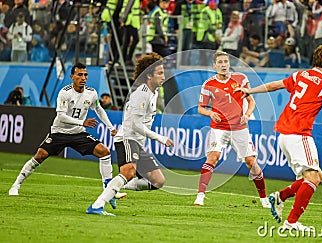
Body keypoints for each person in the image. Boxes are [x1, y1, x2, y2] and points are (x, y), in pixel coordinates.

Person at [234, 45, 322, 231]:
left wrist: (250, 91)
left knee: (316, 176)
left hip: (284, 134)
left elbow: (275, 86)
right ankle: (292, 222)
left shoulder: (301, 75)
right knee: (313, 177)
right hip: (298, 134)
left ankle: (280, 197)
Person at [8, 62, 122, 209]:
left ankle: (108, 191)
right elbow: (61, 116)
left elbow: (99, 109)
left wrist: (111, 127)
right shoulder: (65, 93)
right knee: (40, 155)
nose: (83, 78)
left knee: (104, 152)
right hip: (60, 132)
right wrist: (82, 122)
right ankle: (16, 185)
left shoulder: (91, 93)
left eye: (85, 75)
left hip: (78, 134)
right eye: (79, 75)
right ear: (72, 76)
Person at [86, 52, 174, 216]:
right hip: (127, 138)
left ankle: (113, 187)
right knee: (128, 172)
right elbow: (135, 125)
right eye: (160, 73)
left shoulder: (153, 93)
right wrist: (160, 138)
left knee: (158, 181)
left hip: (138, 143)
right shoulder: (142, 93)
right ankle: (97, 206)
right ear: (148, 75)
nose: (163, 76)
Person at [193, 51, 270, 209]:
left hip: (239, 128)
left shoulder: (241, 79)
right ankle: (200, 195)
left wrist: (247, 115)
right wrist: (210, 112)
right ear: (214, 65)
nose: (223, 65)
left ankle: (264, 198)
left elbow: (251, 102)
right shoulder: (208, 84)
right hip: (218, 128)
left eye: (225, 62)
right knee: (213, 157)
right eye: (220, 62)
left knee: (251, 162)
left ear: (229, 64)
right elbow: (201, 108)